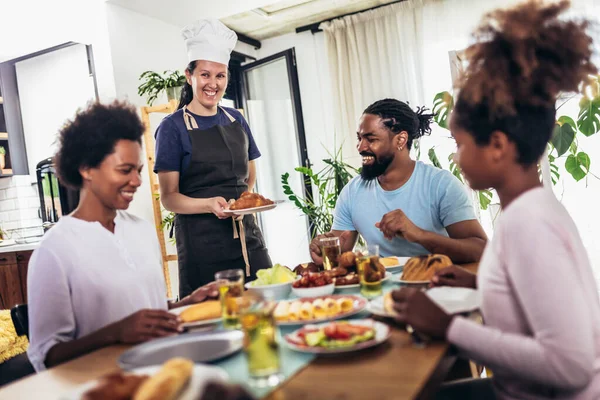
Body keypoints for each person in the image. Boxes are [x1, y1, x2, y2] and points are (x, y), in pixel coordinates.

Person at [391, 1, 600, 398]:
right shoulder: (528, 208)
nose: (455, 157)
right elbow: (536, 299)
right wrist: (480, 286)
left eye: (461, 144)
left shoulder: (528, 224)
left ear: (498, 146)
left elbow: (570, 364)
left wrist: (449, 326)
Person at [27, 101, 214, 372]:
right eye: (125, 170)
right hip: (107, 385)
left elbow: (145, 308)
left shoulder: (141, 229)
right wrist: (114, 332)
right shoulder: (54, 250)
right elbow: (46, 356)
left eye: (138, 170)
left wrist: (185, 304)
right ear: (86, 169)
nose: (137, 181)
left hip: (164, 372)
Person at [154, 19, 271, 299]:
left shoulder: (237, 119)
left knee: (264, 308)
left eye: (220, 76)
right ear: (189, 76)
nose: (213, 84)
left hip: (247, 237)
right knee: (212, 325)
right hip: (201, 245)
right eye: (205, 75)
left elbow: (249, 175)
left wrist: (242, 201)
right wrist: (208, 204)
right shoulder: (172, 127)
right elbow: (169, 198)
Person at [310, 99, 487, 265]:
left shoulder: (441, 184)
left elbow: (482, 249)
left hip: (436, 286)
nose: (361, 147)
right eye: (359, 138)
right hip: (378, 291)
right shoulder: (351, 193)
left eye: (371, 139)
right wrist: (324, 250)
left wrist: (418, 234)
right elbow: (338, 254)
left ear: (400, 140)